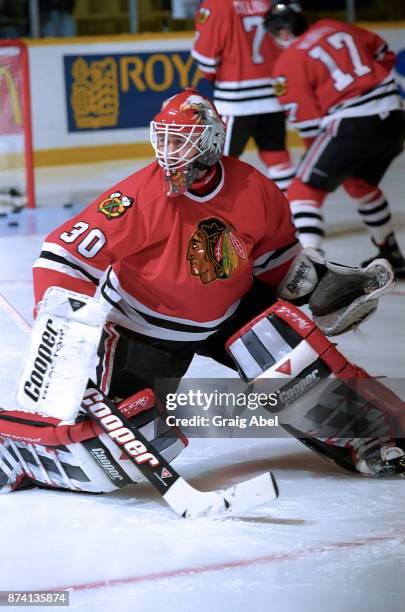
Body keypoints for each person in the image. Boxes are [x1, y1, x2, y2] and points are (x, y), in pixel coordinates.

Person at [1, 88, 403, 496]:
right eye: (165, 138)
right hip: (145, 329)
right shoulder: (139, 196)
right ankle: (20, 455)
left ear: (210, 141)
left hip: (230, 311)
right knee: (130, 439)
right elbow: (62, 256)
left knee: (290, 357)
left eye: (181, 140)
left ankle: (373, 440)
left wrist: (317, 284)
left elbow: (274, 260)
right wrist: (63, 325)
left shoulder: (255, 189)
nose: (169, 151)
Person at [263, 1, 405, 277]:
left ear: (282, 33)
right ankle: (391, 253)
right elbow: (384, 53)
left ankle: (307, 267)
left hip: (352, 122)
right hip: (395, 117)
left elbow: (308, 124)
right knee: (359, 185)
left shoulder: (288, 60)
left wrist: (315, 163)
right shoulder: (334, 25)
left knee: (303, 191)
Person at [191, 0, 295, 192]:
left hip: (236, 99)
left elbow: (205, 57)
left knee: (219, 161)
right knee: (277, 156)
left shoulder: (217, 4)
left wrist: (214, 76)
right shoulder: (269, 2)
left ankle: (222, 215)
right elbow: (290, 42)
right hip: (272, 95)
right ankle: (291, 212)